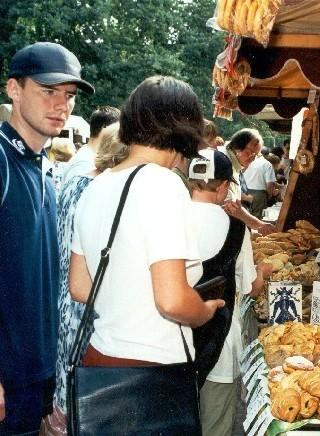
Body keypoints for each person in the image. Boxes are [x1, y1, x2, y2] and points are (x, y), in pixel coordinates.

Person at [68, 77, 224, 423]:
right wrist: (203, 311)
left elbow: (80, 287)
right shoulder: (163, 184)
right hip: (151, 375)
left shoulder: (97, 185)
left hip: (101, 363)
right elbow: (171, 300)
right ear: (185, 127)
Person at [0, 41, 94, 435]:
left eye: (69, 96)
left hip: (39, 375)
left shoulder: (46, 168)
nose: (61, 105)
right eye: (48, 91)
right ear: (14, 89)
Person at [44, 123, 128, 433]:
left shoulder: (75, 182)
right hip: (89, 302)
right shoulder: (106, 192)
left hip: (66, 298)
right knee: (86, 393)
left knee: (66, 388)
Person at [186, 149, 271, 436]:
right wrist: (264, 272)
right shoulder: (235, 228)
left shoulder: (169, 217)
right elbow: (251, 288)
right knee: (216, 425)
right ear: (223, 185)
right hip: (219, 344)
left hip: (173, 345)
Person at [221, 128, 275, 235]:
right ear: (237, 147)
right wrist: (258, 224)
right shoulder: (223, 162)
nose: (252, 158)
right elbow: (230, 205)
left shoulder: (234, 162)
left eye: (256, 155)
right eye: (249, 153)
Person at [62, 106, 120, 184]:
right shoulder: (84, 164)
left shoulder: (87, 156)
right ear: (104, 127)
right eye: (118, 128)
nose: (120, 133)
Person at [242, 148, 277, 218]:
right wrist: (269, 196)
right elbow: (269, 184)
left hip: (244, 193)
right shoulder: (267, 164)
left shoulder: (246, 161)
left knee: (245, 218)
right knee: (257, 220)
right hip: (259, 196)